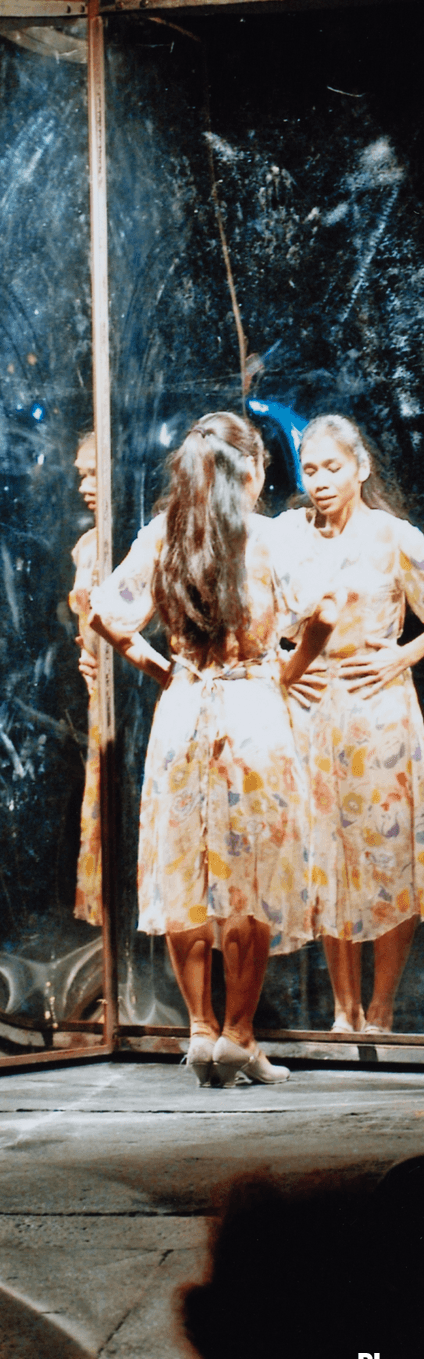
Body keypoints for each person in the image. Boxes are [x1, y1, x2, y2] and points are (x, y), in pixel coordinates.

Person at [88, 412, 337, 1086]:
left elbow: (104, 614)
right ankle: (239, 1035)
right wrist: (287, 669)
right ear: (251, 470)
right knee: (247, 879)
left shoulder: (166, 534)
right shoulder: (266, 537)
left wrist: (158, 668)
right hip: (253, 709)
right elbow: (326, 613)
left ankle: (199, 1031)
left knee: (185, 872)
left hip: (183, 709)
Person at [275, 415, 424, 1034]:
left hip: (379, 714)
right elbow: (267, 621)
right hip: (312, 712)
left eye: (333, 468)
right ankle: (344, 1009)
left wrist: (404, 652)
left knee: (386, 858)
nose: (320, 481)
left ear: (360, 468)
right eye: (310, 469)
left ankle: (383, 1006)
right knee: (326, 859)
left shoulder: (394, 537)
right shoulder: (289, 535)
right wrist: (283, 662)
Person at [68, 430, 102, 926]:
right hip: (99, 694)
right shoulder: (87, 544)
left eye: (94, 472)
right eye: (81, 475)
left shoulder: (143, 538)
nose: (85, 485)